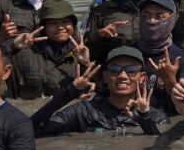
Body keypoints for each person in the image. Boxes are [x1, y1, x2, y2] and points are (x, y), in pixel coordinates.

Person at [30, 46, 167, 137]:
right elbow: (32, 130)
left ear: (142, 78)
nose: (123, 76)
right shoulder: (84, 112)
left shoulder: (156, 117)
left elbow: (159, 149)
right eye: (115, 69)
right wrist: (70, 92)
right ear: (105, 76)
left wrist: (144, 119)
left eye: (131, 70)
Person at [7, 0, 90, 99]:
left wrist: (85, 63)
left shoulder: (83, 52)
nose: (60, 27)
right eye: (53, 23)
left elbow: (94, 90)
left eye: (65, 22)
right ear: (43, 28)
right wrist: (13, 47)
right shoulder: (24, 52)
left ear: (73, 25)